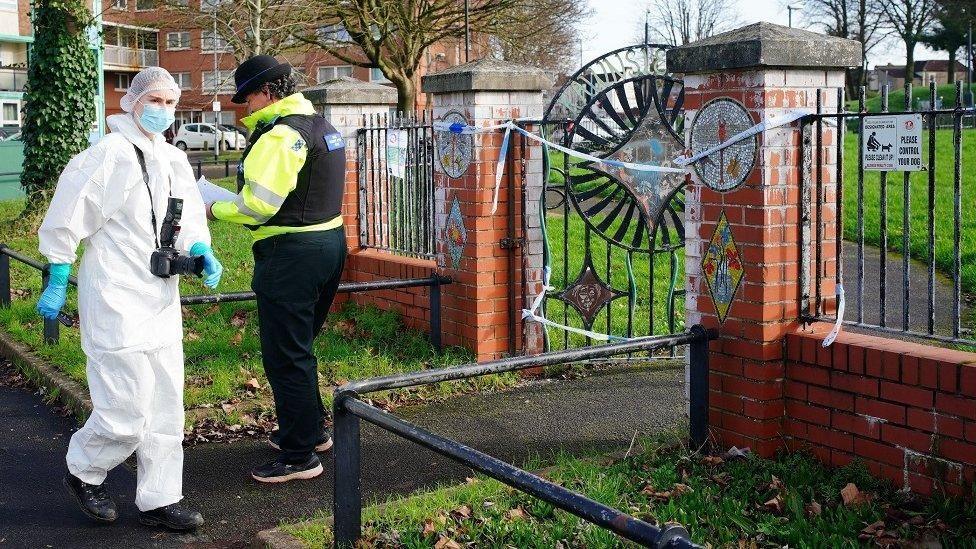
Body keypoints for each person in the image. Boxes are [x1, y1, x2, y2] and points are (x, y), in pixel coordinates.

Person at [36, 67, 223, 530]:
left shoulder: (173, 159)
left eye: (171, 103)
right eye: (154, 100)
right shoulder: (108, 155)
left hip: (160, 298)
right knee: (125, 408)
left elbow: (190, 215)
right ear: (132, 102)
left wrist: (200, 249)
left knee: (164, 404)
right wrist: (58, 274)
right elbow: (67, 216)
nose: (164, 110)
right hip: (115, 298)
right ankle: (84, 470)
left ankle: (160, 499)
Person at [206, 55, 347, 484]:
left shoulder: (280, 135)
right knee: (300, 347)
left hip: (291, 254)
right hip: (329, 245)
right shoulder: (321, 125)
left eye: (246, 97)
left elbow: (257, 205)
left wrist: (212, 208)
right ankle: (311, 431)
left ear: (266, 92)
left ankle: (299, 456)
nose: (245, 107)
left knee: (286, 355)